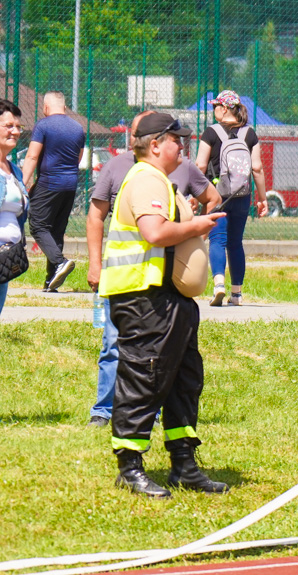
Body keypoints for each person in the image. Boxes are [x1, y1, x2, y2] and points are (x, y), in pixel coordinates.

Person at [99, 112, 228, 497]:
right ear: (155, 144)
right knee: (146, 376)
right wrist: (199, 226)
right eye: (176, 139)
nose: (183, 146)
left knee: (184, 380)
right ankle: (130, 466)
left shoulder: (161, 181)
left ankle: (184, 465)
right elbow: (154, 232)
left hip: (169, 298)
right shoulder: (146, 179)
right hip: (144, 297)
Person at [195, 90, 268, 307]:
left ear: (224, 108)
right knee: (236, 243)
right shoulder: (250, 133)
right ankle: (237, 294)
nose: (213, 110)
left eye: (215, 106)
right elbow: (257, 167)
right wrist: (262, 198)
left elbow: (200, 164)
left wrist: (196, 194)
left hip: (217, 195)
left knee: (218, 239)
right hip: (242, 195)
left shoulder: (211, 132)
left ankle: (219, 285)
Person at [21, 91, 85, 292]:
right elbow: (78, 157)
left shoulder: (43, 125)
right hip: (70, 184)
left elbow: (32, 156)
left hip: (49, 182)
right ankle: (51, 281)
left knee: (39, 226)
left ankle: (59, 262)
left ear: (46, 107)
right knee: (56, 230)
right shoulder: (78, 128)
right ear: (64, 107)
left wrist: (22, 184)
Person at [0, 100, 28, 315]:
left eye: (18, 127)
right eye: (8, 126)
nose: (15, 131)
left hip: (6, 261)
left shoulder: (15, 171)